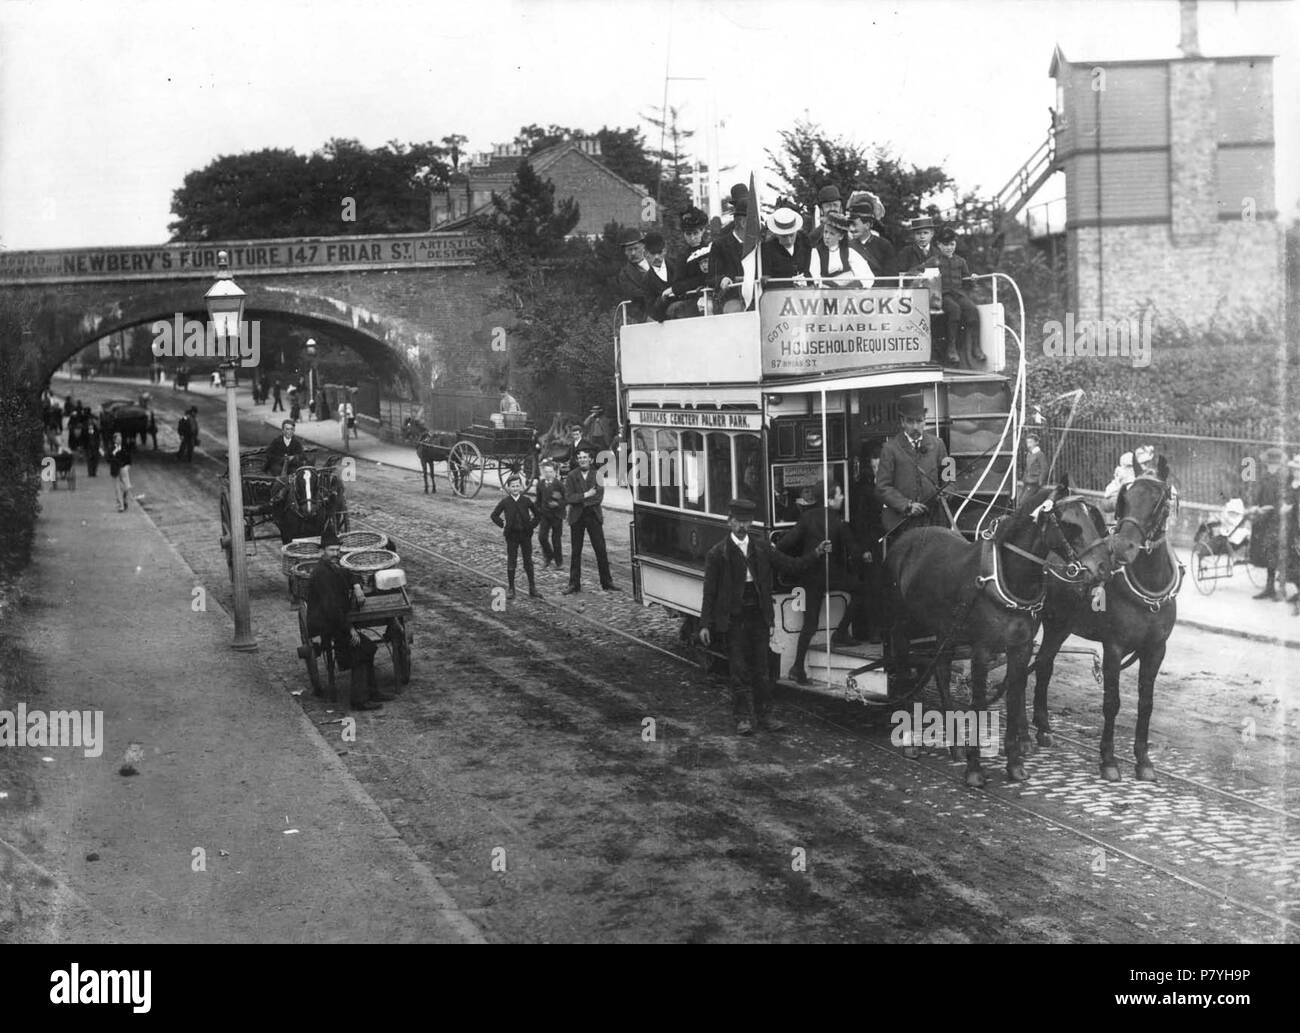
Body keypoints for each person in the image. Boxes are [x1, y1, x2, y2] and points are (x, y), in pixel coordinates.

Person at [699, 498, 831, 735]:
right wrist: (704, 624)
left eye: (746, 522)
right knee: (738, 670)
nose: (742, 526)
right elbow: (709, 592)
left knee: (762, 670)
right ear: (729, 522)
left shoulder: (761, 548)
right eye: (738, 521)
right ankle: (742, 719)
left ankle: (765, 716)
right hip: (734, 619)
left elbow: (791, 565)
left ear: (750, 523)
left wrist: (816, 554)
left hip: (759, 616)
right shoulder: (718, 554)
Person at [777, 482, 869, 684]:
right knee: (862, 589)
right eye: (839, 495)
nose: (842, 497)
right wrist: (865, 554)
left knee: (809, 624)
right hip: (831, 576)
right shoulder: (838, 522)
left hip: (809, 577)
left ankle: (797, 667)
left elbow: (784, 544)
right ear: (829, 499)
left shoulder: (806, 518)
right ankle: (841, 632)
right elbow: (853, 550)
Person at [305, 526, 390, 711]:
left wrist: (357, 585)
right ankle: (359, 700)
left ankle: (371, 691)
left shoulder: (332, 567)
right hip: (327, 626)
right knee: (364, 648)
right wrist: (350, 628)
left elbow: (349, 573)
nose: (335, 553)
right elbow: (331, 609)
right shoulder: (322, 574)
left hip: (336, 620)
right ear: (321, 551)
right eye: (331, 550)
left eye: (337, 550)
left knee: (368, 647)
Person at [877, 395, 951, 535]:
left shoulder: (939, 444)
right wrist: (907, 505)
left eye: (919, 421)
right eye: (910, 421)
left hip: (934, 520)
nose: (915, 427)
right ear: (902, 422)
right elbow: (882, 487)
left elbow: (950, 478)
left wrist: (946, 493)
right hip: (903, 521)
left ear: (925, 420)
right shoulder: (890, 448)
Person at [561, 441, 619, 594]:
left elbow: (598, 497)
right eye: (580, 458)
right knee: (576, 551)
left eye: (585, 458)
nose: (582, 460)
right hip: (577, 517)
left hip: (593, 516)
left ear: (591, 460)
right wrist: (585, 495)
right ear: (577, 460)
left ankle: (607, 582)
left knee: (600, 550)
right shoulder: (572, 476)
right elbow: (568, 497)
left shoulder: (598, 475)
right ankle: (574, 584)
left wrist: (579, 499)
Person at [924, 228, 983, 365]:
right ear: (939, 245)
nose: (949, 248)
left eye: (952, 244)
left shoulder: (961, 261)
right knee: (954, 310)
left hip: (958, 294)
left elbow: (967, 281)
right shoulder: (934, 261)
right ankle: (952, 348)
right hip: (943, 295)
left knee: (973, 310)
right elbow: (918, 270)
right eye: (945, 245)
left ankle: (976, 347)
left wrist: (972, 279)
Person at [491, 474, 543, 599]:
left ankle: (532, 588)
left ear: (521, 486)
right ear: (508, 488)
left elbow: (538, 515)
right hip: (512, 536)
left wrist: (531, 525)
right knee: (511, 561)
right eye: (512, 486)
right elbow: (494, 515)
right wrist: (503, 524)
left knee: (528, 562)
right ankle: (511, 588)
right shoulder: (505, 502)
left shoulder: (526, 500)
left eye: (517, 485)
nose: (515, 488)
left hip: (525, 535)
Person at [1247, 446, 1286, 600]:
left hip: (1278, 521)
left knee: (1277, 555)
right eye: (1270, 464)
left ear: (1279, 465)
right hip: (1263, 521)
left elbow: (1286, 500)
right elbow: (1258, 495)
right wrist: (1256, 506)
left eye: (1275, 464)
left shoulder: (1283, 479)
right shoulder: (1264, 477)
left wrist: (1272, 509)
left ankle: (1280, 590)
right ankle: (1269, 588)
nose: (1272, 467)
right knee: (1266, 554)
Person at [661, 206, 711, 319]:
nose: (692, 238)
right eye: (688, 234)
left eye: (695, 233)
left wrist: (685, 285)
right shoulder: (683, 257)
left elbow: (710, 276)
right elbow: (677, 284)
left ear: (702, 230)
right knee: (675, 309)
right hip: (690, 299)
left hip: (711, 296)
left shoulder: (711, 250)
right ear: (684, 234)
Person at [808, 212, 874, 287]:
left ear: (841, 237)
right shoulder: (816, 252)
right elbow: (815, 278)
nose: (827, 236)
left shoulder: (849, 252)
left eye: (832, 233)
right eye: (825, 232)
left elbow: (867, 276)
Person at [709, 193, 750, 312]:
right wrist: (723, 279)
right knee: (734, 311)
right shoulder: (720, 245)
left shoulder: (759, 244)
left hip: (759, 297)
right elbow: (711, 277)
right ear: (743, 223)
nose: (760, 225)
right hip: (732, 298)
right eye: (755, 221)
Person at [847, 192, 896, 280]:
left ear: (867, 225)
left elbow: (891, 278)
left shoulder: (884, 246)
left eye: (854, 225)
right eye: (849, 224)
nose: (851, 229)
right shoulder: (847, 246)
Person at [760, 207, 812, 282]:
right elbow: (766, 281)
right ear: (776, 233)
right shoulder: (766, 249)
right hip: (779, 292)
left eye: (791, 235)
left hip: (804, 290)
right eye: (784, 237)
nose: (789, 241)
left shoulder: (804, 241)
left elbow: (807, 270)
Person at [535, 460, 566, 570]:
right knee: (542, 537)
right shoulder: (541, 484)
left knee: (556, 540)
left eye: (551, 472)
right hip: (545, 515)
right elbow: (538, 500)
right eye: (546, 472)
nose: (548, 474)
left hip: (557, 516)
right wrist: (536, 511)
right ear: (543, 472)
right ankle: (548, 556)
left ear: (555, 472)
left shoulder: (559, 485)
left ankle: (559, 562)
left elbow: (566, 499)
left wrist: (558, 504)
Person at [616, 229, 650, 323]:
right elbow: (631, 303)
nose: (633, 253)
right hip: (647, 319)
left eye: (636, 248)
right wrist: (646, 319)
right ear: (625, 252)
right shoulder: (625, 275)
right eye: (629, 250)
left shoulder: (656, 261)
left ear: (643, 246)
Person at [642, 232, 672, 321]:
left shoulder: (677, 265)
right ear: (645, 254)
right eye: (652, 253)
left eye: (659, 252)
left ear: (665, 250)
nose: (657, 257)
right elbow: (651, 308)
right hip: (664, 321)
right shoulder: (646, 280)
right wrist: (662, 299)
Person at [806, 184, 845, 250]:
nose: (832, 209)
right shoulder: (815, 237)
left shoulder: (851, 231)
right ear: (821, 210)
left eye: (835, 205)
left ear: (840, 208)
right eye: (828, 206)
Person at [1019, 431, 1047, 504]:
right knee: (1020, 500)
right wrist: (1024, 479)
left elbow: (1044, 468)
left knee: (1023, 502)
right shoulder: (1029, 454)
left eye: (1031, 442)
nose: (1028, 445)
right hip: (1027, 482)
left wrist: (1040, 481)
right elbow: (1027, 468)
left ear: (1036, 443)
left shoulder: (1040, 454)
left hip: (1034, 482)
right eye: (1027, 442)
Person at [108, 432, 132, 512]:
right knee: (117, 488)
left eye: (120, 439)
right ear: (114, 440)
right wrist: (114, 452)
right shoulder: (111, 448)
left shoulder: (124, 447)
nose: (120, 440)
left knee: (127, 487)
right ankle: (120, 506)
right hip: (115, 469)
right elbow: (108, 458)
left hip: (123, 469)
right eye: (118, 439)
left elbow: (129, 458)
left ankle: (124, 500)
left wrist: (128, 466)